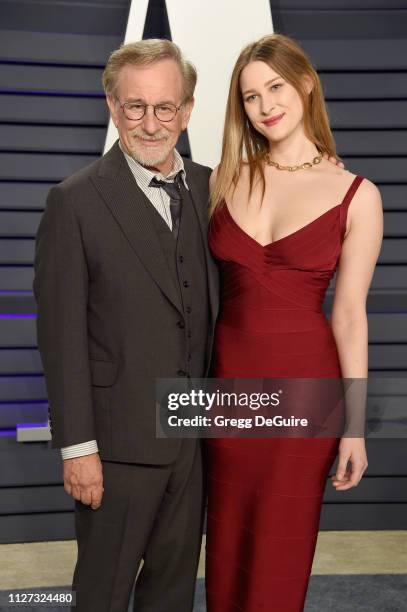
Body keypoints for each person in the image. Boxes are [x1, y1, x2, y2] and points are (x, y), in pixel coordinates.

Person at [33, 39, 219, 612]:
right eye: (134, 106)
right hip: (113, 449)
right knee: (102, 595)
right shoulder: (75, 201)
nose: (151, 122)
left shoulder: (215, 188)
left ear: (187, 112)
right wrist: (77, 449)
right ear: (112, 107)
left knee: (171, 594)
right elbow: (61, 340)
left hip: (194, 440)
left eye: (165, 107)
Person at [206, 34, 383, 611]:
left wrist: (352, 427)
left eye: (275, 87)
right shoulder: (224, 179)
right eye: (251, 96)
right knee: (226, 550)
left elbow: (350, 316)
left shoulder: (356, 195)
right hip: (224, 390)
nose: (265, 106)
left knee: (279, 555)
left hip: (306, 393)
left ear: (305, 82)